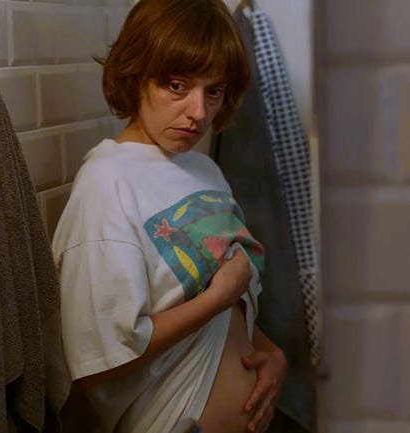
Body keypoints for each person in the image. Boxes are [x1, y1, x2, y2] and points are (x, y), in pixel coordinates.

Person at [52, 1, 287, 432]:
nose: (199, 112)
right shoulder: (108, 183)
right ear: (136, 73)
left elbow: (224, 307)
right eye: (178, 86)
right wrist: (216, 298)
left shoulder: (206, 172)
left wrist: (272, 354)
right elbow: (97, 361)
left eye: (213, 91)